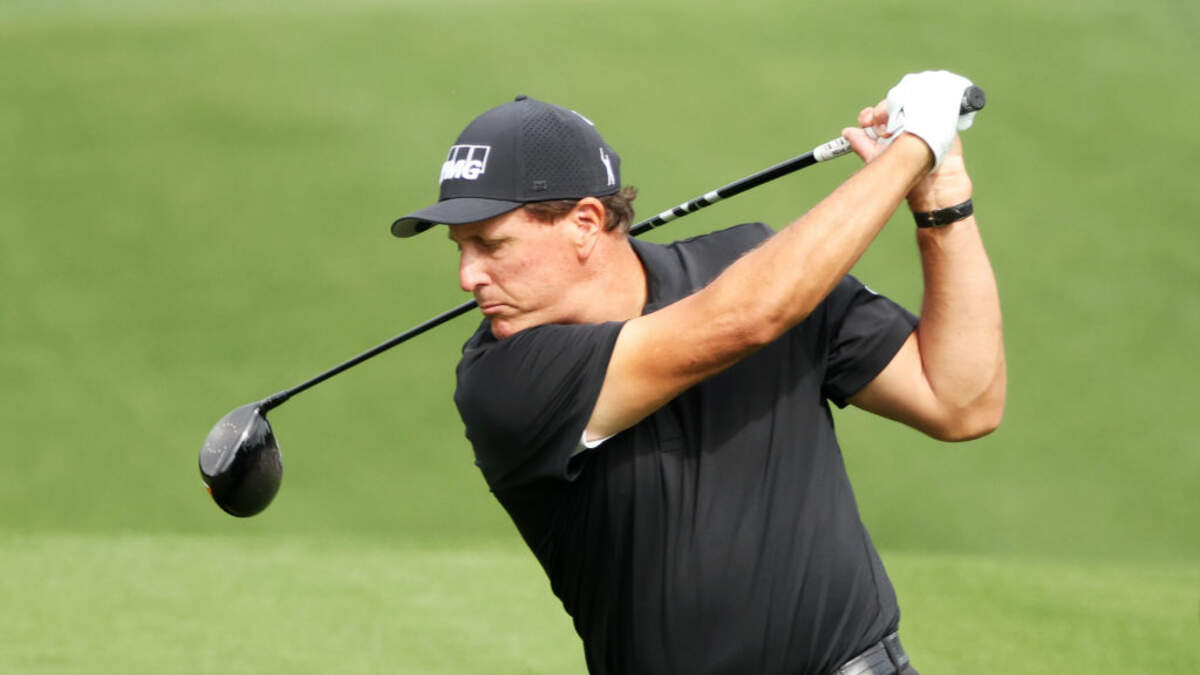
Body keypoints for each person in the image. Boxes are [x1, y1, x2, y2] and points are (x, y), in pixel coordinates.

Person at [390, 72, 1005, 674]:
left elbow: (961, 404)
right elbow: (745, 319)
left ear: (584, 223)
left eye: (490, 244)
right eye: (460, 247)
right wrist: (913, 147)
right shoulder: (504, 378)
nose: (467, 276)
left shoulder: (755, 271)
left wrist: (941, 194)